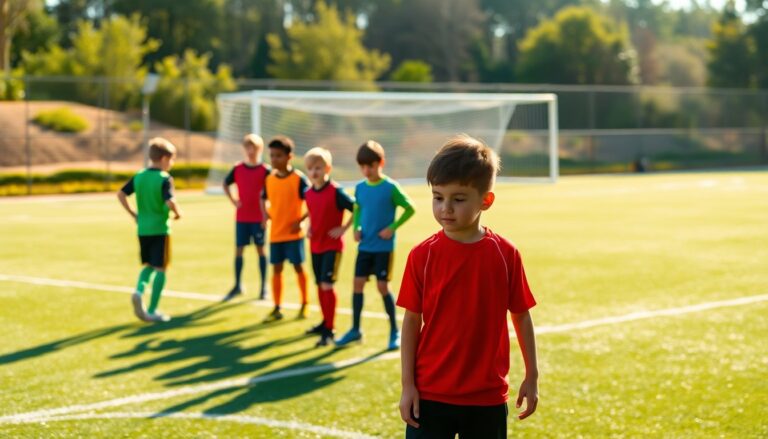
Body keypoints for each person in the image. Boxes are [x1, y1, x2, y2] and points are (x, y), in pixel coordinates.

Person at [397, 134, 539, 438]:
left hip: (486, 398)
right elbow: (411, 320)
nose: (445, 208)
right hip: (430, 396)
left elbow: (522, 316)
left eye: (458, 199)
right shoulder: (422, 255)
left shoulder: (505, 253)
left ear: (485, 201)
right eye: (437, 197)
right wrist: (408, 385)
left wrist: (532, 376)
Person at [335, 140, 415, 350]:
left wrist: (392, 227)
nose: (366, 170)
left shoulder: (390, 187)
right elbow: (358, 208)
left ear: (381, 163)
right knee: (357, 284)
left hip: (383, 249)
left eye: (370, 165)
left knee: (382, 287)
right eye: (362, 166)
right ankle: (355, 330)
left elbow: (409, 208)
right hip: (365, 247)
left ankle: (394, 331)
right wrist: (356, 228)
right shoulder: (360, 188)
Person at [117, 137, 183, 323]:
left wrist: (133, 214)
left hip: (143, 229)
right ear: (163, 159)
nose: (171, 164)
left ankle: (138, 291)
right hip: (160, 230)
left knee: (148, 266)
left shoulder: (139, 176)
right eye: (171, 160)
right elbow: (170, 201)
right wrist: (177, 213)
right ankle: (152, 310)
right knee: (161, 269)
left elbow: (121, 194)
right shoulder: (164, 178)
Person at [302, 147, 355, 346]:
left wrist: (344, 228)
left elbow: (356, 208)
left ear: (327, 168)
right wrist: (308, 228)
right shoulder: (308, 193)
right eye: (310, 168)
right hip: (315, 245)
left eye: (318, 167)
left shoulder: (337, 192)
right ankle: (325, 321)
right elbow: (313, 213)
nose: (314, 172)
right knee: (319, 285)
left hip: (332, 247)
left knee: (327, 285)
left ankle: (330, 330)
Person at [261, 135, 310, 322]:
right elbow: (262, 197)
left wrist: (302, 220)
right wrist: (265, 214)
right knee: (276, 270)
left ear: (289, 157)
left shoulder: (299, 179)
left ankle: (304, 303)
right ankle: (277, 307)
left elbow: (312, 201)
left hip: (294, 235)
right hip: (275, 234)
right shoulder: (269, 179)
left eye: (278, 156)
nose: (274, 160)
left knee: (298, 267)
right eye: (272, 156)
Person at [221, 134, 271, 302]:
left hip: (258, 218)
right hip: (242, 217)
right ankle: (237, 285)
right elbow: (225, 183)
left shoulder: (266, 170)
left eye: (254, 148)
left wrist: (267, 213)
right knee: (239, 249)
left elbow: (272, 192)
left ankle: (264, 287)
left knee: (260, 250)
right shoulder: (238, 168)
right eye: (248, 147)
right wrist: (233, 200)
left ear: (260, 149)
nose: (251, 151)